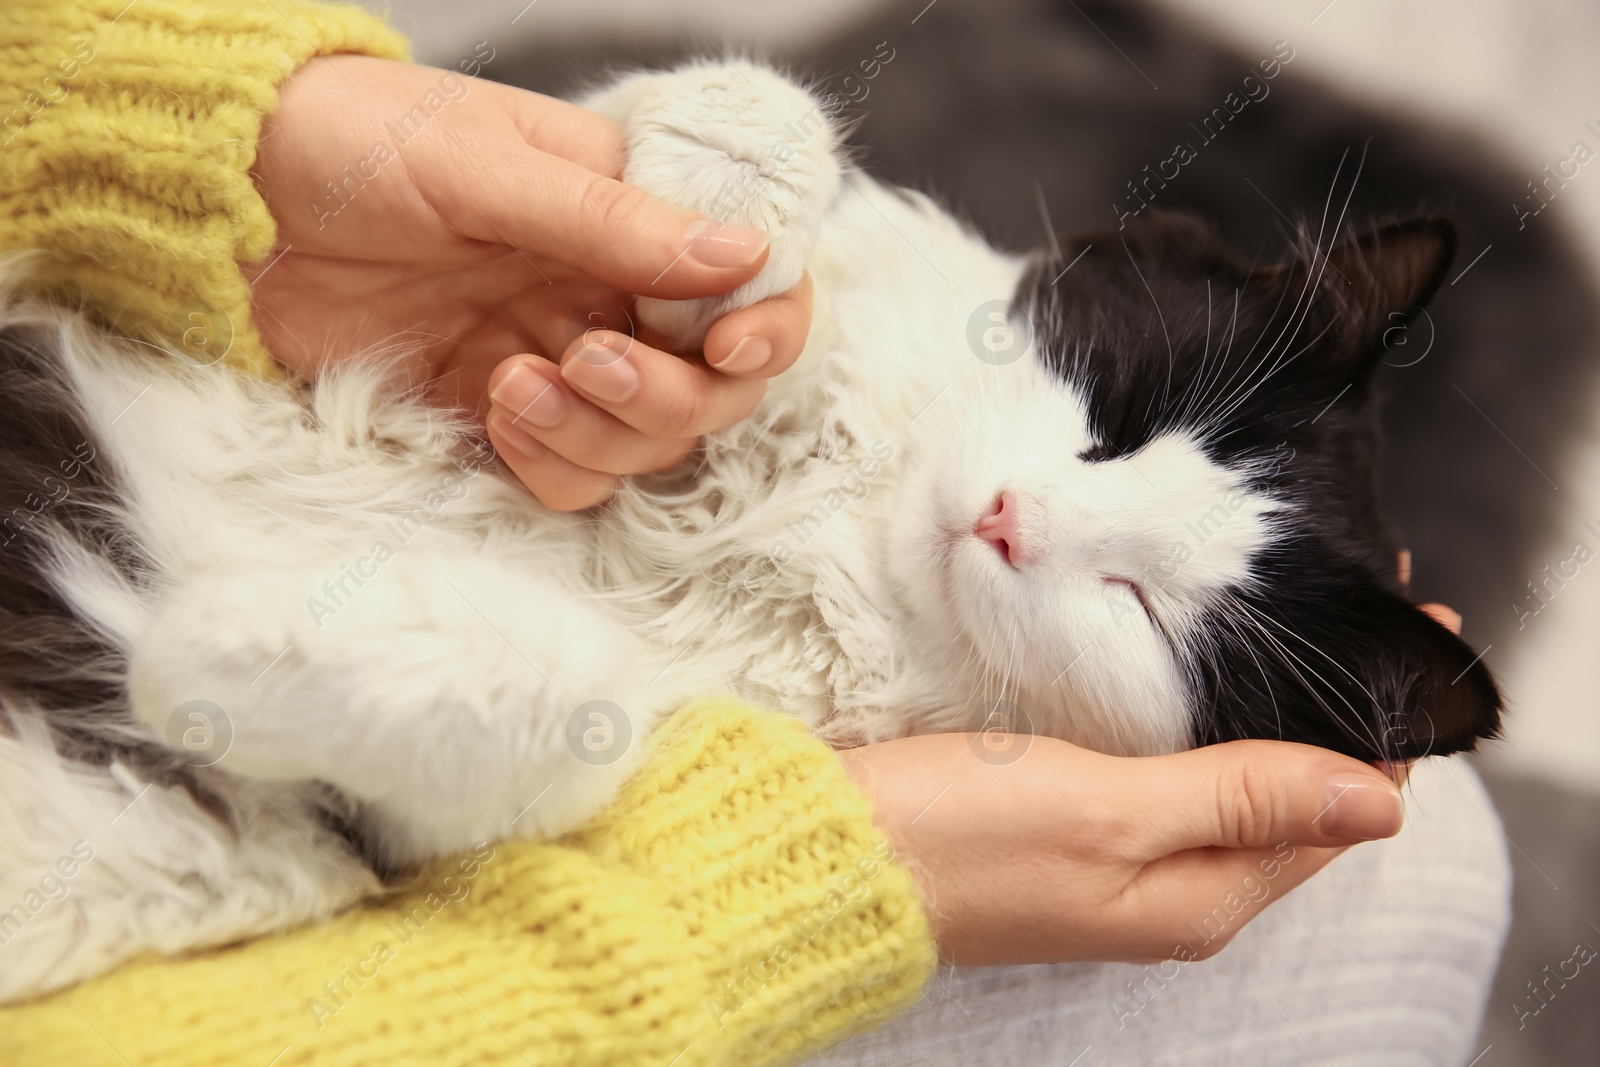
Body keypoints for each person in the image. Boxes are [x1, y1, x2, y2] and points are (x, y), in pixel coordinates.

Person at [0, 3, 1509, 1065]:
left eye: (1135, 605)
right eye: (1098, 425)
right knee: (1433, 873)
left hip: (111, 813)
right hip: (99, 453)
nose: (1025, 519)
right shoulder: (883, 306)